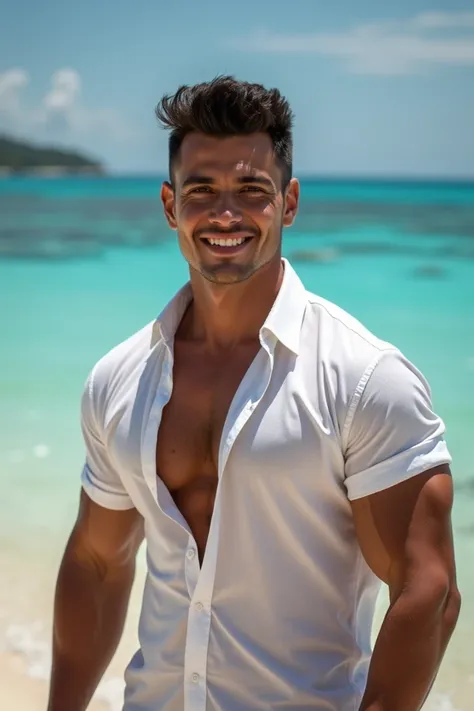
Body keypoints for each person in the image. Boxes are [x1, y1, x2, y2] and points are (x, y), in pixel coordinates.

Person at [47, 76, 461, 711]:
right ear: (169, 204)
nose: (225, 214)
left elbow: (428, 591)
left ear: (289, 203)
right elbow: (97, 563)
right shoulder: (118, 379)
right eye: (202, 191)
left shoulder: (364, 376)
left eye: (252, 191)